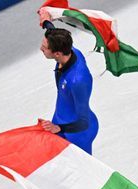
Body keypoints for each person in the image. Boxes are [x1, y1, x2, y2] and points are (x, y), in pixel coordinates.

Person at [38, 10, 99, 155]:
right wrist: (46, 21)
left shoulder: (78, 80)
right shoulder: (67, 48)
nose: (41, 49)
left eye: (44, 48)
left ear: (57, 53)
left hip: (77, 134)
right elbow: (53, 33)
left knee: (81, 174)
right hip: (58, 121)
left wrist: (59, 128)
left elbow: (83, 122)